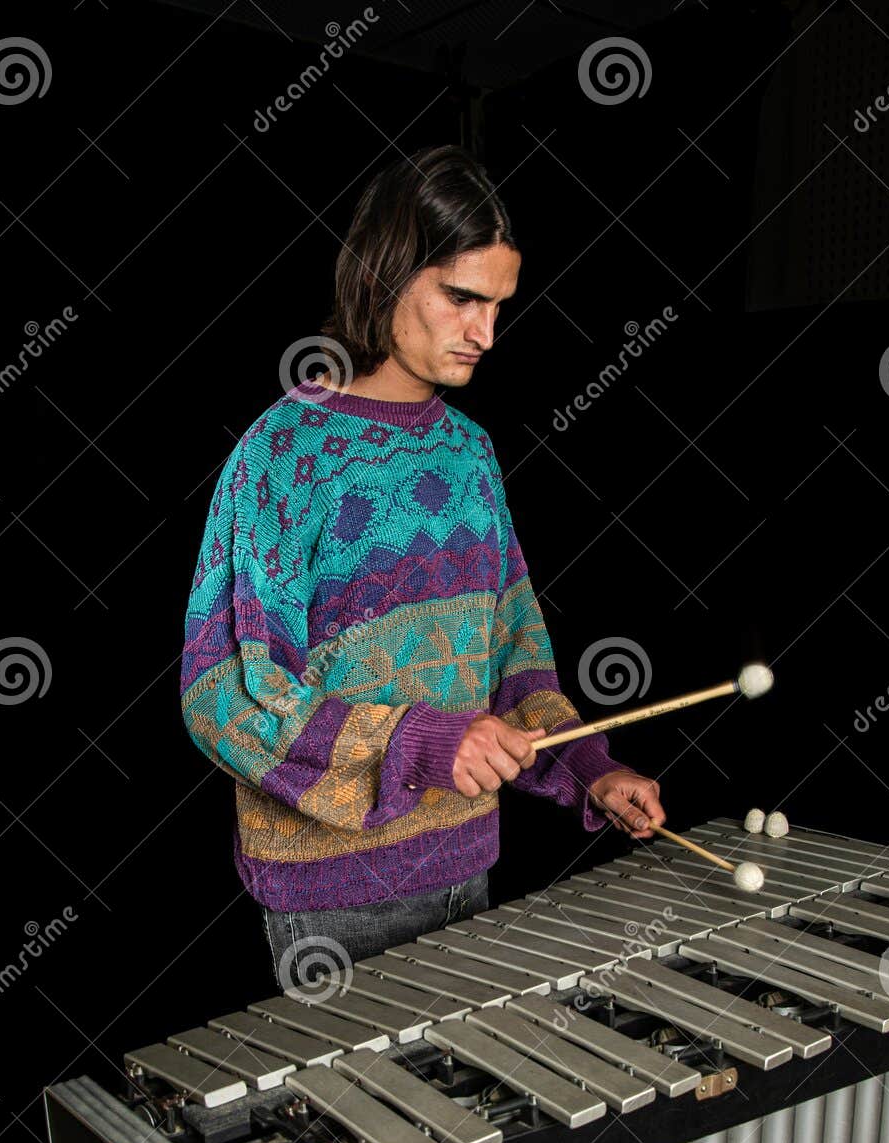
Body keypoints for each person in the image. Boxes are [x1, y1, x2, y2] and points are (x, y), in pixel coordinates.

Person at [180, 143, 665, 993]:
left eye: (500, 305)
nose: (485, 333)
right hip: (335, 898)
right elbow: (225, 698)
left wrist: (592, 766)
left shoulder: (472, 455)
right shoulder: (284, 455)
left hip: (469, 871)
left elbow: (514, 656)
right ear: (385, 276)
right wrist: (420, 741)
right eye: (461, 299)